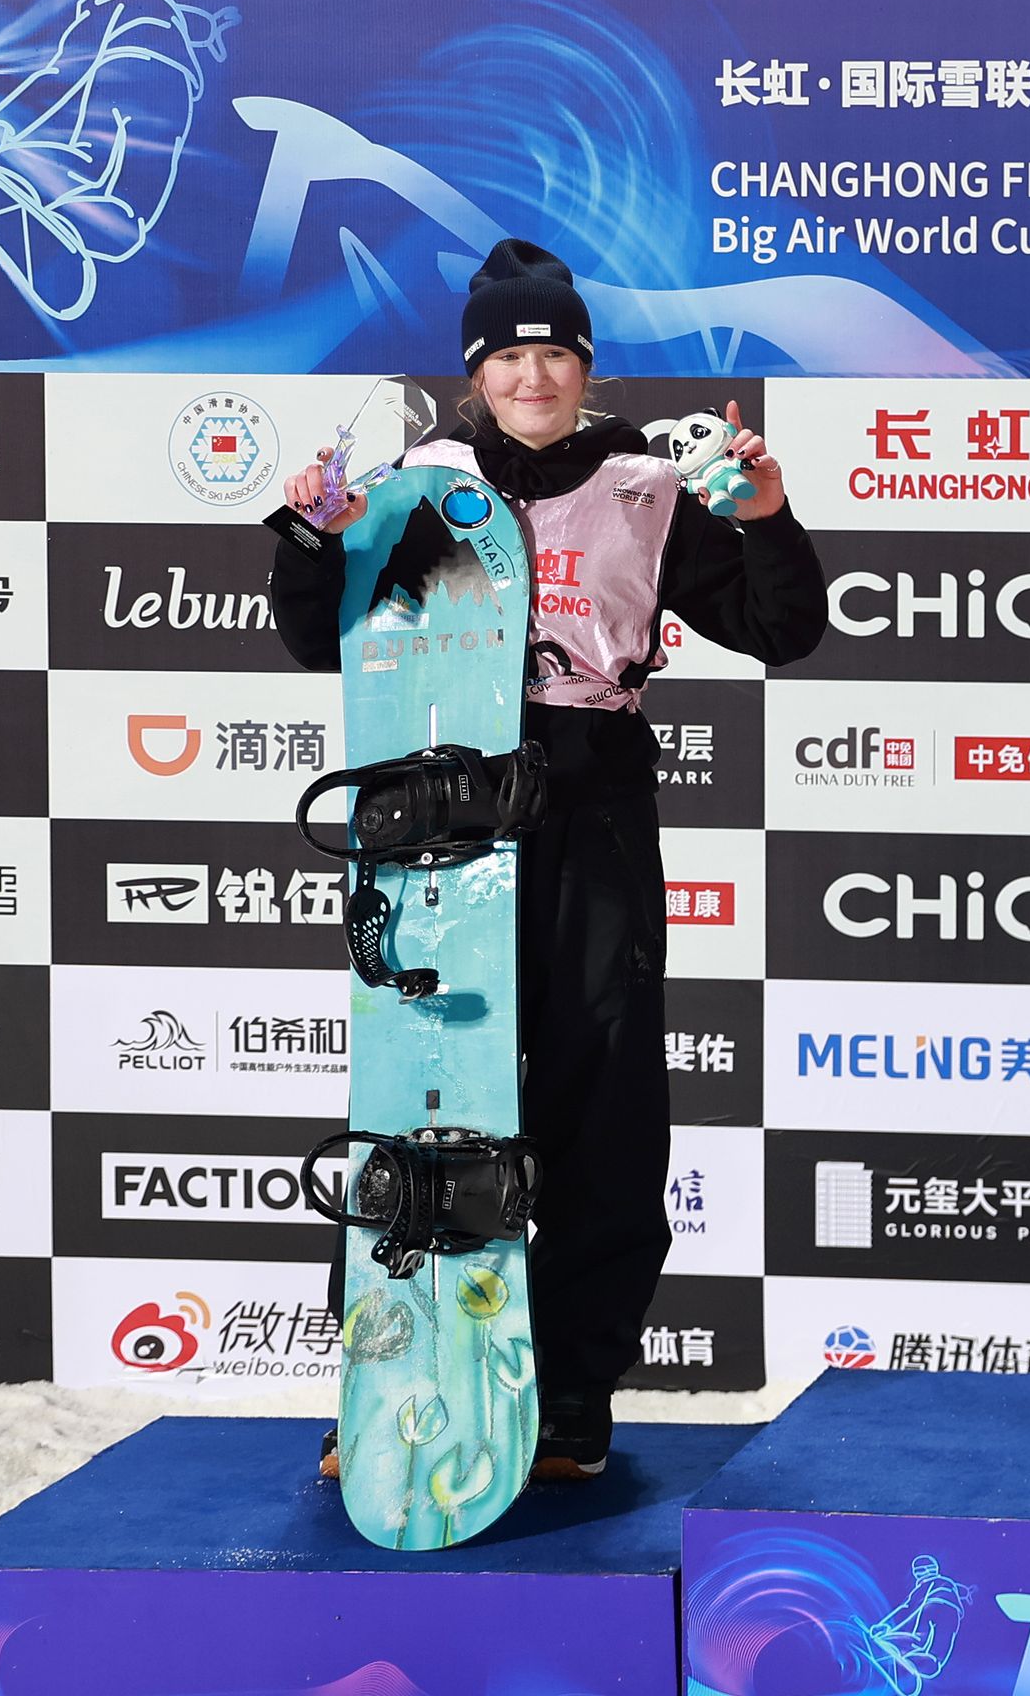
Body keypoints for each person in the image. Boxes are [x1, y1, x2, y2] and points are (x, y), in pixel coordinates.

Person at [270, 239, 826, 1478]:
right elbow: (322, 642)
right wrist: (309, 539)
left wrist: (769, 516)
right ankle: (388, 1360)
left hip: (592, 807)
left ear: (586, 363)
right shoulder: (420, 479)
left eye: (556, 351)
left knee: (604, 1102)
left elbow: (786, 629)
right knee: (419, 1091)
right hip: (434, 816)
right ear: (477, 372)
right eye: (510, 355)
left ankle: (570, 1388)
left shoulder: (646, 482)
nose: (535, 374)